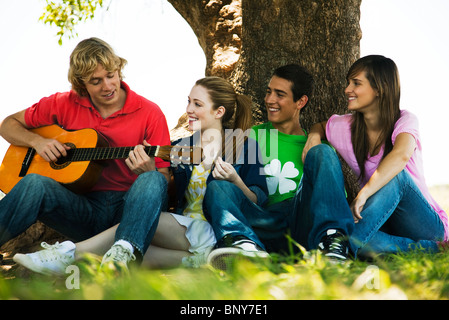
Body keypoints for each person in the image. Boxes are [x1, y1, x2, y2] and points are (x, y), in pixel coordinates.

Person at [12, 76, 268, 274]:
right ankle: (202, 261)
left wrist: (235, 180)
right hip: (183, 234)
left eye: (197, 104)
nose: (188, 109)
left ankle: (66, 253)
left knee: (128, 234)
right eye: (188, 101)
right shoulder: (180, 148)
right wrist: (148, 173)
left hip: (217, 229)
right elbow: (169, 192)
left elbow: (258, 202)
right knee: (126, 251)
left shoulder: (243, 145)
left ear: (219, 112)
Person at [0, 37, 172, 270]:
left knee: (152, 180)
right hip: (82, 208)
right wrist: (37, 142)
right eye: (96, 81)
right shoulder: (63, 103)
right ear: (81, 84)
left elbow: (163, 179)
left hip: (129, 211)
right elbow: (7, 125)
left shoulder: (150, 113)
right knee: (34, 183)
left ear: (119, 70)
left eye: (111, 75)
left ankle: (122, 259)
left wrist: (149, 171)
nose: (108, 86)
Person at [204, 64, 355, 268]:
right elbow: (225, 190)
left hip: (304, 222)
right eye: (268, 92)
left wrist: (315, 136)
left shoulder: (318, 147)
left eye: (280, 94)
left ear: (301, 101)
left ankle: (333, 247)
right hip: (263, 222)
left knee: (323, 153)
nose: (269, 100)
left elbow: (333, 201)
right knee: (218, 187)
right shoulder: (248, 137)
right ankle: (245, 247)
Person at [303, 55, 448, 259]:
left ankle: (338, 248)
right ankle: (344, 248)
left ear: (379, 89)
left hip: (424, 224)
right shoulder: (345, 127)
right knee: (360, 240)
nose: (347, 89)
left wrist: (363, 194)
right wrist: (313, 136)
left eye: (356, 83)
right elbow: (320, 126)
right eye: (348, 83)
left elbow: (401, 156)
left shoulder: (405, 120)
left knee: (397, 176)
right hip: (380, 221)